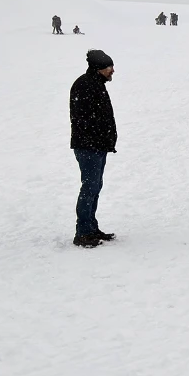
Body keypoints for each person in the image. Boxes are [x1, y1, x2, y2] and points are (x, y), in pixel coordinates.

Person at [69, 50, 118, 248]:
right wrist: (98, 137)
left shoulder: (96, 84)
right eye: (109, 67)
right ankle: (82, 232)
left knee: (95, 187)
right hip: (88, 147)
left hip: (97, 146)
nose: (112, 70)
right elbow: (83, 119)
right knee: (89, 188)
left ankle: (91, 227)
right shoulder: (84, 85)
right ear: (98, 69)